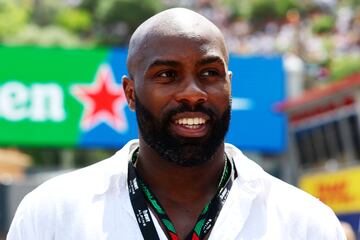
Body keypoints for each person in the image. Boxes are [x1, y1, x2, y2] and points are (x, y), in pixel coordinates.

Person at [8, 8, 345, 240]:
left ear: (229, 84)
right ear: (130, 92)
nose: (192, 93)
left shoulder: (303, 222)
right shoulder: (53, 213)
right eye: (167, 75)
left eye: (209, 74)